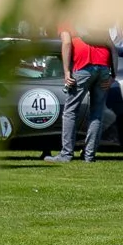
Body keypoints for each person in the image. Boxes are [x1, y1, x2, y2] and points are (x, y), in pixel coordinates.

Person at [45, 24, 114, 162]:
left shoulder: (66, 19)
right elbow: (112, 47)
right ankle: (89, 155)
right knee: (97, 113)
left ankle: (66, 154)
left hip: (83, 64)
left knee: (70, 111)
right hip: (104, 65)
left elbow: (66, 42)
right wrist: (113, 74)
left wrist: (66, 71)